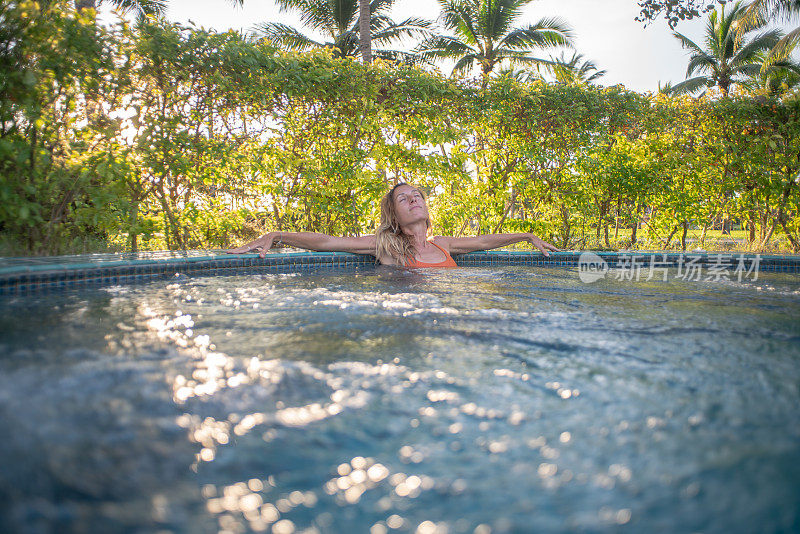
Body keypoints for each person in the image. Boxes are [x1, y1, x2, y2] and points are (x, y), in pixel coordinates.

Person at [226, 183, 560, 266]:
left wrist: (527, 235)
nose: (415, 200)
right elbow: (327, 242)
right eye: (405, 199)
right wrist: (276, 235)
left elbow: (485, 241)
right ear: (394, 215)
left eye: (418, 196)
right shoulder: (385, 246)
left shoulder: (443, 244)